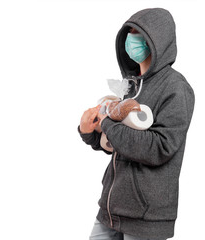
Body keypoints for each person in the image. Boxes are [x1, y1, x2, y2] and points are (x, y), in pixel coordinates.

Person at [78, 8, 195, 240]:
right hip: (112, 209)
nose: (131, 39)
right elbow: (122, 144)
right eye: (129, 32)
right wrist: (89, 132)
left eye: (138, 33)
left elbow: (160, 147)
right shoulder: (131, 86)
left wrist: (110, 125)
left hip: (145, 217)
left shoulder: (176, 88)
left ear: (158, 40)